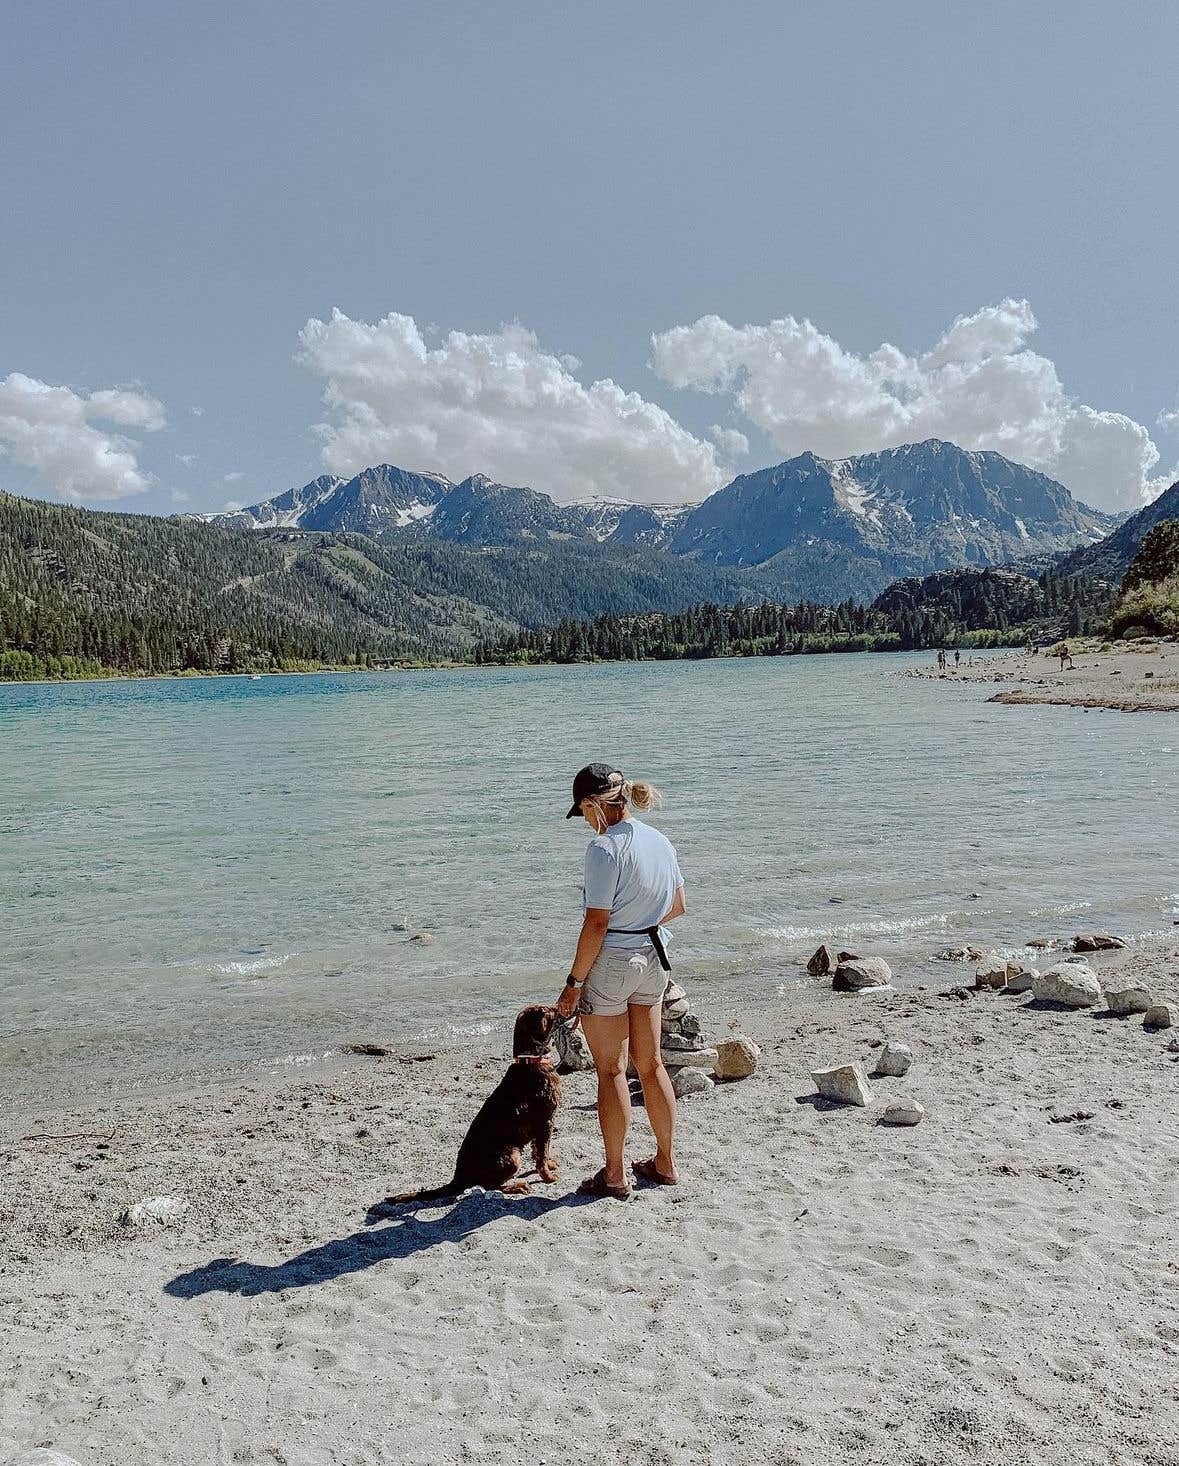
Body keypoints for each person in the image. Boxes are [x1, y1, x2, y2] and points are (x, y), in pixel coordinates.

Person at [555, 763, 686, 1198]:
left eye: (584, 812)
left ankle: (613, 1174)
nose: (586, 823)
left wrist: (573, 983)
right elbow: (679, 905)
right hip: (655, 955)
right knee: (651, 1066)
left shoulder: (603, 849)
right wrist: (642, 922)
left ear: (593, 805)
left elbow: (596, 924)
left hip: (613, 961)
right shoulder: (660, 841)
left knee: (611, 1070)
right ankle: (665, 1163)